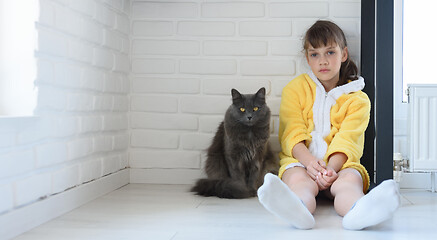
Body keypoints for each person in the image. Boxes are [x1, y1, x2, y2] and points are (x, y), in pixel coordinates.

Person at [257, 20, 400, 230]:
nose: (323, 61)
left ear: (343, 54)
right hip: (301, 162)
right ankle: (299, 210)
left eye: (330, 52)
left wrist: (329, 171)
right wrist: (310, 165)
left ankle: (358, 211)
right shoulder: (294, 90)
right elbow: (291, 134)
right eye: (315, 54)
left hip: (340, 167)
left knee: (349, 184)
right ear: (308, 58)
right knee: (299, 182)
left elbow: (349, 140)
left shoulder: (357, 99)